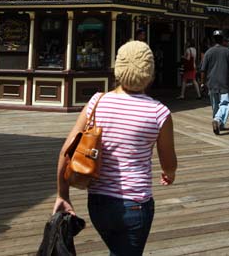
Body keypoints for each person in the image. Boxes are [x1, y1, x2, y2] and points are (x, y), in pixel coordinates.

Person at [54, 41, 176, 256]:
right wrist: (169, 174)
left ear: (118, 68)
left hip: (98, 203)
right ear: (150, 73)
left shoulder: (97, 101)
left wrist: (62, 195)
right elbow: (168, 163)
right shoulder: (159, 113)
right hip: (135, 205)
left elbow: (67, 151)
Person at [200, 31, 229, 134]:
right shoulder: (228, 53)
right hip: (225, 83)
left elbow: (203, 69)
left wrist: (202, 83)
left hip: (212, 83)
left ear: (213, 39)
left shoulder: (208, 52)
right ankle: (217, 120)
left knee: (215, 105)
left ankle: (219, 123)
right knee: (225, 103)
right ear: (222, 40)